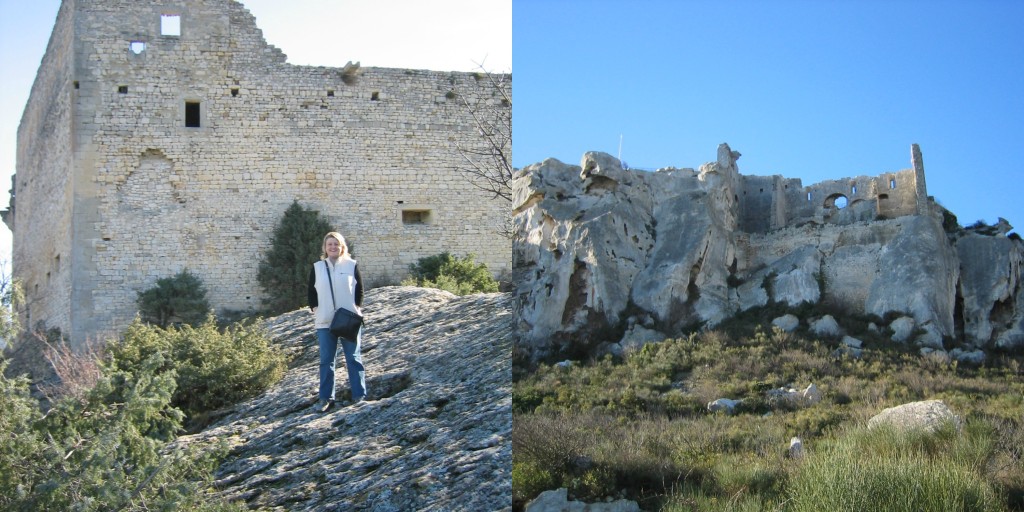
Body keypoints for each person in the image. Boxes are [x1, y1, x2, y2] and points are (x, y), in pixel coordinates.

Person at [307, 232, 367, 412]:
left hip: (348, 319)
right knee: (326, 360)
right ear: (325, 248)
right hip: (325, 320)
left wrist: (356, 307)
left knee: (353, 358)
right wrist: (316, 309)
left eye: (336, 244)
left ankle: (359, 395)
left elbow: (360, 290)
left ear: (342, 247)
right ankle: (326, 398)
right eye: (329, 244)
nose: (333, 247)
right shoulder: (317, 267)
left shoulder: (351, 265)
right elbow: (311, 292)